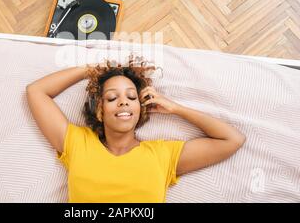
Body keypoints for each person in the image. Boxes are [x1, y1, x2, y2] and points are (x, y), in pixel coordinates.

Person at [26, 56, 246, 202]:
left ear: (140, 109)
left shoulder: (162, 155)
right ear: (100, 111)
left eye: (132, 97)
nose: (124, 102)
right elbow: (36, 91)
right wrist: (93, 71)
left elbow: (232, 140)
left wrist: (177, 109)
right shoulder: (77, 143)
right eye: (112, 97)